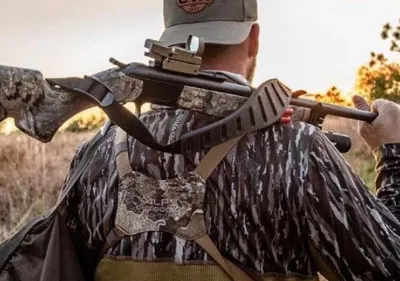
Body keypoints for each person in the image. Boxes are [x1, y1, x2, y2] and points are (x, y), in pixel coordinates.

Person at [1, 0, 400, 281]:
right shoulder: (299, 150)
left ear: (170, 38)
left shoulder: (96, 152)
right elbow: (389, 265)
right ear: (254, 38)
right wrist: (393, 153)